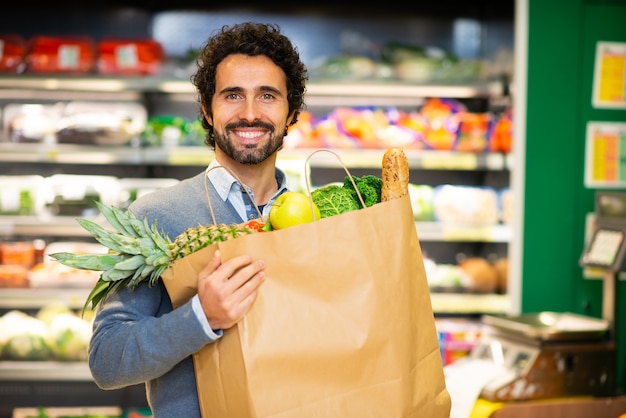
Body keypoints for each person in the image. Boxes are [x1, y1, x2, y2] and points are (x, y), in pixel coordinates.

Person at [87, 22, 308, 417]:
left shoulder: (320, 222)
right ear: (207, 109)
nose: (250, 113)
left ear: (292, 112)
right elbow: (107, 359)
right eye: (232, 95)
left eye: (268, 96)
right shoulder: (153, 217)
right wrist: (200, 317)